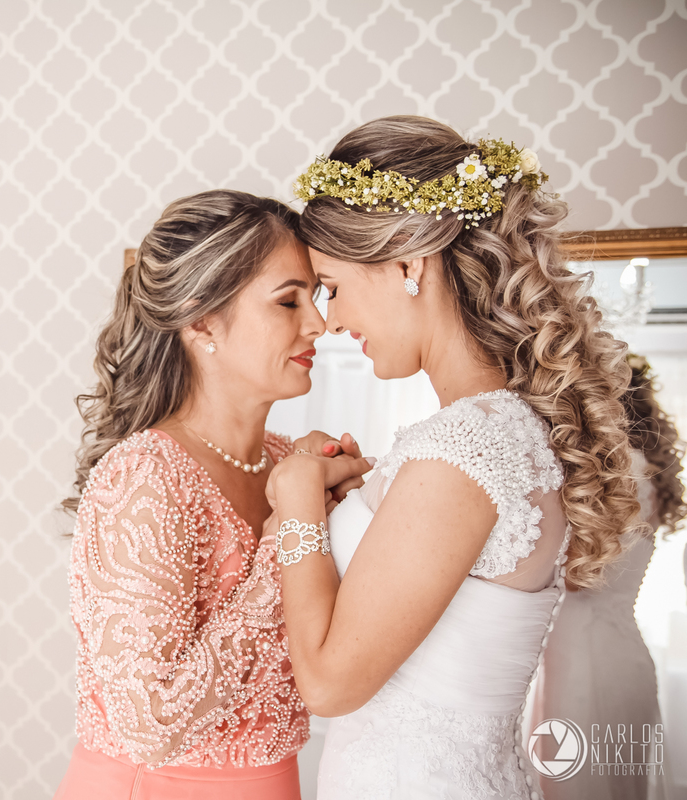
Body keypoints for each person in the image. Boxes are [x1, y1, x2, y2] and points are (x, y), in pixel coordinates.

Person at [262, 115, 639, 799]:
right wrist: (363, 493)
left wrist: (295, 494)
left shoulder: (464, 449)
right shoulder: (487, 437)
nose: (331, 320)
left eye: (333, 286)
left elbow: (327, 683)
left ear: (409, 264)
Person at [54, 190, 368, 800]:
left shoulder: (290, 464)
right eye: (288, 301)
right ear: (200, 320)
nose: (319, 324)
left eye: (317, 296)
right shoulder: (144, 475)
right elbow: (152, 724)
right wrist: (290, 537)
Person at [535, 352, 686, 800]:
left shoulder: (619, 476)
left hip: (588, 657)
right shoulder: (640, 470)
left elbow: (581, 577)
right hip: (612, 648)